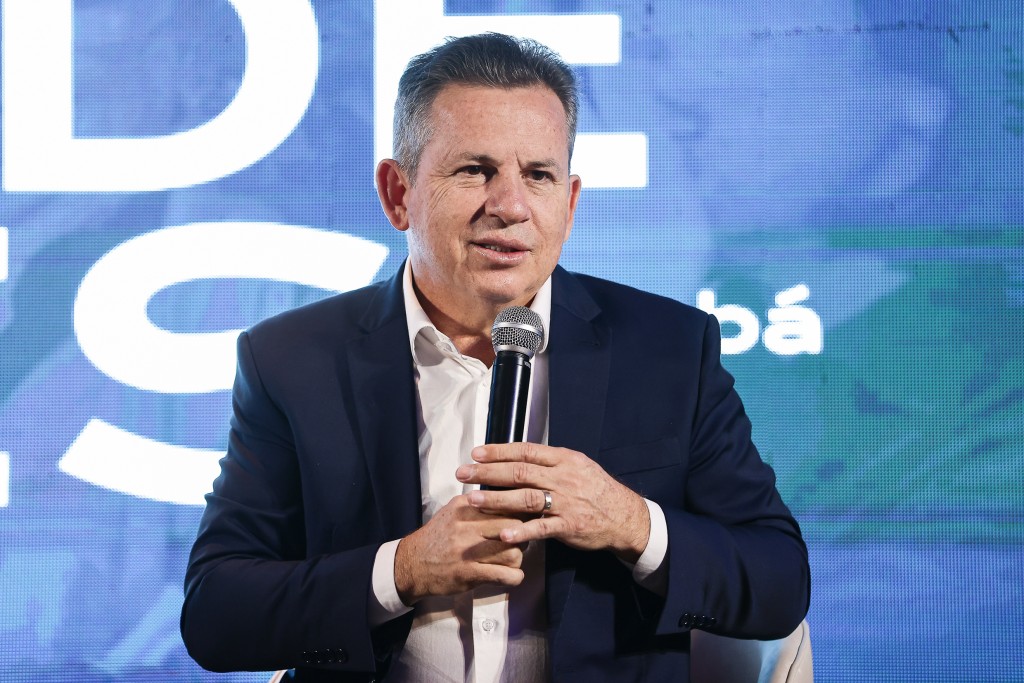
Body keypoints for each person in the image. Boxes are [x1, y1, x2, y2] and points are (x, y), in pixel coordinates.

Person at [180, 32, 810, 681]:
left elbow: (779, 581)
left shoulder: (670, 348)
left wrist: (630, 522)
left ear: (569, 203)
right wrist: (402, 569)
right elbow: (216, 615)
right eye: (474, 170)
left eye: (538, 175)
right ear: (397, 193)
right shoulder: (292, 360)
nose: (510, 206)